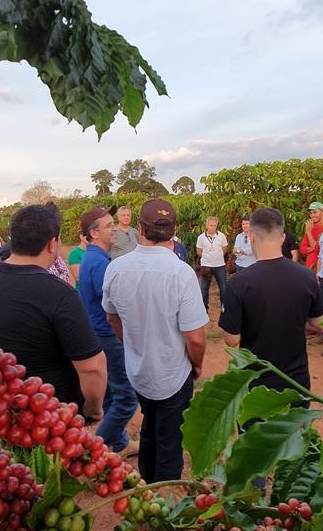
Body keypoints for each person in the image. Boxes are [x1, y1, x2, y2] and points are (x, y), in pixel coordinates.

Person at [0, 205, 107, 422]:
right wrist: (93, 410)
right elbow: (92, 367)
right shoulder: (58, 292)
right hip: (45, 421)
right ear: (52, 243)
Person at [102, 199, 208, 483]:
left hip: (138, 371)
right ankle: (164, 500)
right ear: (174, 231)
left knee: (150, 424)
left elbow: (112, 318)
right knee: (170, 438)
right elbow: (195, 337)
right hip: (173, 372)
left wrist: (134, 344)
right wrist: (196, 364)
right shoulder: (180, 273)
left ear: (139, 229)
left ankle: (146, 486)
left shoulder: (116, 268)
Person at [219, 208, 323, 394]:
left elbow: (231, 339)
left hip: (255, 384)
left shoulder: (238, 282)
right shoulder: (306, 276)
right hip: (296, 383)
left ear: (251, 237)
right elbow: (319, 324)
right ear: (282, 238)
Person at [77, 206, 139, 455]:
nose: (114, 228)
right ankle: (98, 449)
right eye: (109, 225)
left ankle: (120, 443)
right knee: (127, 398)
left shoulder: (95, 258)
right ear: (93, 233)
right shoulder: (100, 263)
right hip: (109, 335)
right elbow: (117, 305)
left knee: (113, 394)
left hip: (100, 333)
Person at [195, 216, 229, 313]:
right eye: (211, 225)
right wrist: (207, 257)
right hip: (206, 266)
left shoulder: (221, 236)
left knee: (223, 288)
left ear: (217, 225)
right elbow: (198, 251)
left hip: (220, 266)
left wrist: (217, 256)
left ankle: (224, 308)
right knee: (204, 289)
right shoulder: (201, 237)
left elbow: (225, 249)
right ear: (206, 226)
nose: (212, 227)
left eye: (214, 225)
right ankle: (204, 309)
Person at [299, 202, 323, 272]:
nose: (312, 215)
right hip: (309, 269)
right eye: (311, 213)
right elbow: (302, 248)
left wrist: (309, 233)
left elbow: (318, 248)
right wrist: (308, 249)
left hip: (322, 268)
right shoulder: (310, 227)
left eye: (315, 212)